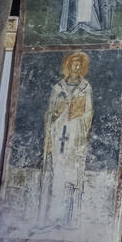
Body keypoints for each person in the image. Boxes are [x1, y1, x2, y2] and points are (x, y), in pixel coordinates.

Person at [38, 52, 93, 229]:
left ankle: (69, 220)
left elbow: (89, 112)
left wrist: (80, 119)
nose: (76, 67)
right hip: (58, 135)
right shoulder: (58, 88)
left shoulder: (85, 87)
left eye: (79, 65)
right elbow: (49, 112)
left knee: (72, 176)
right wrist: (56, 114)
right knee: (57, 174)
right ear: (68, 66)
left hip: (75, 135)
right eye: (73, 64)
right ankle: (52, 218)